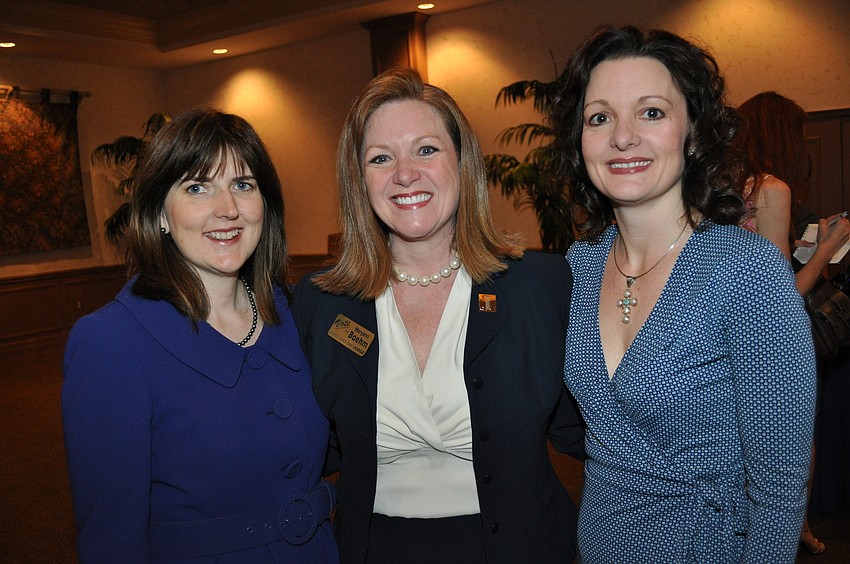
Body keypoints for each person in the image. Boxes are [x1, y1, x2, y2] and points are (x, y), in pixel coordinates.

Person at [292, 67, 584, 563]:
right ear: (359, 181)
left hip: (521, 548)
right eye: (381, 158)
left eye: (426, 150)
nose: (405, 174)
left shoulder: (541, 286)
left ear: (462, 162)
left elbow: (598, 436)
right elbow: (300, 446)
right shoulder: (321, 302)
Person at [548, 25, 817, 562]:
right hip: (599, 546)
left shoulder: (747, 270)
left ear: (692, 132)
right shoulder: (580, 267)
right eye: (600, 117)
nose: (623, 137)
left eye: (651, 112)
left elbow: (781, 486)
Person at [62, 108, 339, 563]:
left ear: (263, 205)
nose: (227, 208)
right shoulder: (111, 343)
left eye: (243, 185)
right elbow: (112, 540)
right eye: (197, 187)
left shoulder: (297, 313)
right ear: (160, 214)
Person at [733, 91, 850, 555]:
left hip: (730, 333)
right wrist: (828, 247)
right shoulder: (772, 188)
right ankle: (792, 529)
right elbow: (781, 298)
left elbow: (752, 265)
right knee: (793, 438)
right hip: (776, 342)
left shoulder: (724, 186)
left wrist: (802, 249)